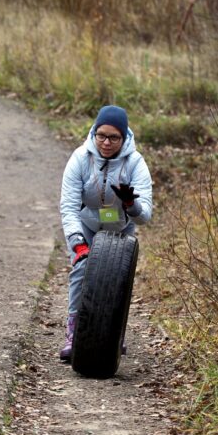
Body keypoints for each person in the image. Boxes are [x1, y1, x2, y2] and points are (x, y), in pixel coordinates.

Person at [59, 105, 153, 362]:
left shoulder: (135, 163)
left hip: (120, 228)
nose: (106, 142)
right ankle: (73, 333)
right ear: (94, 132)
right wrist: (77, 243)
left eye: (114, 137)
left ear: (124, 138)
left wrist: (131, 204)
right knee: (81, 269)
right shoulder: (80, 158)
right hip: (87, 224)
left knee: (119, 280)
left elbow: (144, 216)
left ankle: (115, 334)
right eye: (101, 135)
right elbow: (68, 207)